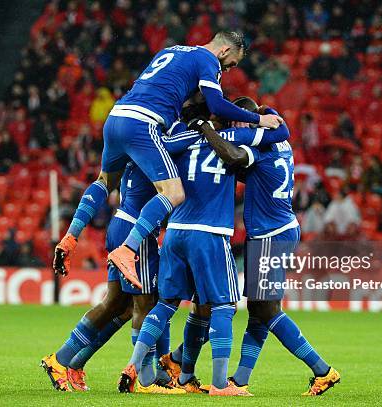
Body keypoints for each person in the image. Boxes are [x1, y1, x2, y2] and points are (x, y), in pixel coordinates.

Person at [52, 32, 283, 292]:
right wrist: (259, 120)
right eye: (231, 64)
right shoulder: (207, 59)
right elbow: (217, 105)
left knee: (105, 182)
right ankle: (127, 249)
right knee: (173, 192)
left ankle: (70, 237)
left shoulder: (170, 51)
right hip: (144, 123)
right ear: (225, 50)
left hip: (116, 116)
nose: (228, 70)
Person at [167, 98, 341, 396]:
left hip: (270, 235)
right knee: (259, 310)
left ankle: (323, 370)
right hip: (279, 229)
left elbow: (233, 158)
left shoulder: (257, 151)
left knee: (266, 309)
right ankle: (239, 378)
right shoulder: (279, 142)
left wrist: (207, 129)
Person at [117, 97, 289, 396]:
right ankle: (222, 385)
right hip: (209, 232)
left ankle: (135, 366)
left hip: (175, 231)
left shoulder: (184, 138)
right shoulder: (239, 135)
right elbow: (280, 132)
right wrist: (264, 119)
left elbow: (153, 149)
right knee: (224, 306)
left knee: (166, 304)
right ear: (235, 119)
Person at [41, 162, 178, 394]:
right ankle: (145, 379)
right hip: (137, 230)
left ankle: (71, 362)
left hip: (122, 224)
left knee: (117, 306)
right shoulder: (157, 146)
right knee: (146, 304)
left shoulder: (136, 150)